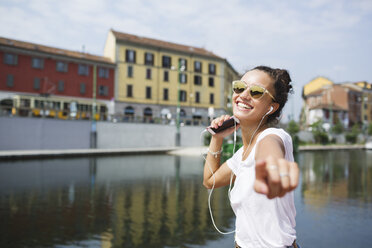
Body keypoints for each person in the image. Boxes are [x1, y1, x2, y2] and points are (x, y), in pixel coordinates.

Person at [203, 66, 300, 248]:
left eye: (256, 91)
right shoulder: (242, 155)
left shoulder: (273, 137)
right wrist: (217, 138)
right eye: (240, 87)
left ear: (271, 107)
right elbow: (210, 181)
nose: (243, 95)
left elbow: (271, 149)